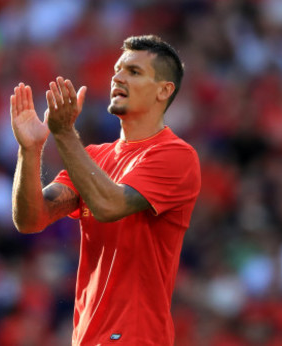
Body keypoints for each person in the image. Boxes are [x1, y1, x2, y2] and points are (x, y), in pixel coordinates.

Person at [10, 35, 201, 345]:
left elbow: (109, 206)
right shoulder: (95, 157)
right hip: (87, 336)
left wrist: (65, 134)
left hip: (136, 337)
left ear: (164, 91)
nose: (118, 77)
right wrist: (30, 150)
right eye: (117, 69)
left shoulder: (176, 155)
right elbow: (31, 219)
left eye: (134, 72)